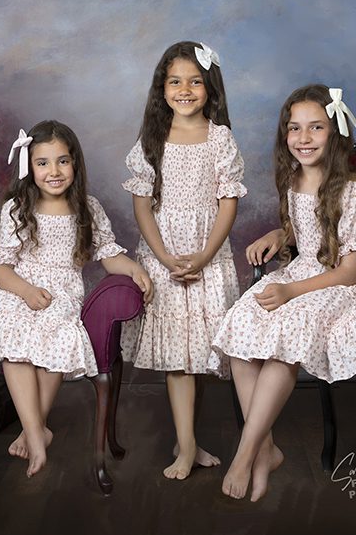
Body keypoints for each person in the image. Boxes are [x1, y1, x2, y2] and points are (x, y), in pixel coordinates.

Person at [210, 84, 356, 501]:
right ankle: (267, 449)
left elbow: (349, 271)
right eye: (295, 129)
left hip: (344, 283)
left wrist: (291, 290)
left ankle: (246, 454)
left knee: (288, 332)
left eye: (316, 127)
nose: (304, 138)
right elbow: (307, 232)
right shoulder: (294, 179)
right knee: (242, 327)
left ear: (335, 133)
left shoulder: (355, 191)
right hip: (304, 269)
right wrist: (281, 233)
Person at [0, 120, 152, 478]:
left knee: (55, 339)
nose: (53, 172)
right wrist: (25, 292)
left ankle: (34, 428)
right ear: (29, 167)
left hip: (63, 295)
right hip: (19, 290)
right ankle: (37, 433)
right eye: (42, 163)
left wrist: (132, 268)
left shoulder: (88, 207)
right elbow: (0, 268)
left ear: (75, 164)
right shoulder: (18, 208)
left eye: (62, 161)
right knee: (14, 339)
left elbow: (107, 254)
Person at [120, 41, 246, 480]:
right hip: (165, 257)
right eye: (175, 81)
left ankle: (186, 439)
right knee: (177, 356)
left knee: (201, 355)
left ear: (210, 88)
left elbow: (228, 203)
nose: (185, 89)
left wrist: (205, 256)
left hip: (207, 256)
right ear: (162, 88)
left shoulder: (220, 138)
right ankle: (188, 448)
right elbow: (141, 206)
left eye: (195, 81)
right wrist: (165, 257)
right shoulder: (152, 140)